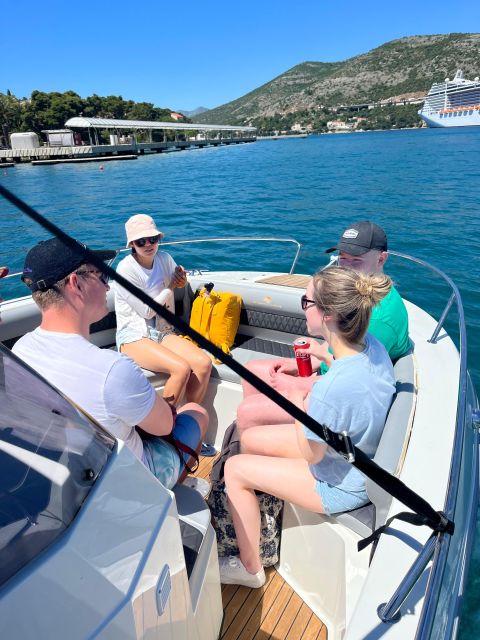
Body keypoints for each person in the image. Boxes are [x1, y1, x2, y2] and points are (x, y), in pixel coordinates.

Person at [219, 266, 396, 587]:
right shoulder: (373, 349)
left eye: (306, 302)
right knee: (253, 437)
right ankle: (262, 513)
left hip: (339, 483)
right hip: (352, 453)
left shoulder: (330, 390)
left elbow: (309, 453)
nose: (303, 307)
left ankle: (249, 569)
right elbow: (342, 368)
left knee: (235, 468)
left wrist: (302, 401)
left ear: (327, 315)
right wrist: (319, 352)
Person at [12, 238, 208, 490]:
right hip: (128, 483)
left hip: (75, 478)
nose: (108, 287)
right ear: (76, 284)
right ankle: (173, 495)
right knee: (195, 413)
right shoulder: (113, 370)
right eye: (101, 274)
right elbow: (165, 426)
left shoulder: (21, 350)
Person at [237, 220, 410, 431]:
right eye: (342, 258)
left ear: (382, 258)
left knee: (249, 411)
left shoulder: (377, 320)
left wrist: (299, 385)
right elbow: (344, 356)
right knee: (252, 371)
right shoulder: (357, 299)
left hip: (339, 397)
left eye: (355, 260)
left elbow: (353, 380)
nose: (345, 267)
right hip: (330, 373)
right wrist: (317, 355)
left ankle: (262, 443)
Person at [114, 214, 212, 406]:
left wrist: (181, 279)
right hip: (134, 335)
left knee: (203, 364)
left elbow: (180, 282)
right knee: (181, 369)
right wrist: (171, 287)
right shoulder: (126, 270)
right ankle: (166, 431)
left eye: (153, 239)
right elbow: (146, 312)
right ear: (132, 244)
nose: (149, 244)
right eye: (141, 241)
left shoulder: (164, 259)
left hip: (161, 331)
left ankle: (188, 419)